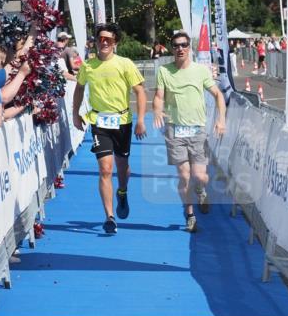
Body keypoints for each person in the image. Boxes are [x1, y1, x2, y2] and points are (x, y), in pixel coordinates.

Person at [71, 23, 147, 235]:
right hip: (99, 123)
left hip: (122, 122)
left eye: (109, 40)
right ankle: (109, 217)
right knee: (105, 169)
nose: (104, 42)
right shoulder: (88, 66)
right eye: (100, 39)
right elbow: (79, 89)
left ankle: (122, 192)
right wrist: (75, 114)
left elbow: (140, 92)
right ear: (95, 41)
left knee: (122, 166)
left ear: (115, 43)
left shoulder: (125, 64)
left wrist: (141, 119)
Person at [153, 31, 226, 233]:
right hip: (175, 131)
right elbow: (159, 96)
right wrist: (157, 110)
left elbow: (218, 95)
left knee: (200, 176)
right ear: (172, 48)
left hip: (197, 131)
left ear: (189, 48)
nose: (180, 48)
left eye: (184, 45)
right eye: (176, 45)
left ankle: (201, 189)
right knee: (184, 176)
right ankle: (190, 215)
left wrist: (221, 120)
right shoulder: (164, 71)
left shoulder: (200, 71)